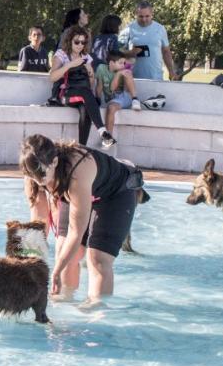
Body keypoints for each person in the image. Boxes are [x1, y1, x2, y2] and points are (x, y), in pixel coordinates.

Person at [21, 134, 138, 308]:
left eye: (43, 176)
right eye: (33, 177)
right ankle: (65, 299)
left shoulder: (77, 169)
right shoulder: (33, 171)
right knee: (63, 248)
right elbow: (39, 223)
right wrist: (29, 266)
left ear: (54, 162)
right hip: (79, 193)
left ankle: (98, 309)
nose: (39, 181)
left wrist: (55, 271)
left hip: (115, 193)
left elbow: (76, 232)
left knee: (97, 259)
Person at [49, 25, 114, 147]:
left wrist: (90, 73)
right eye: (77, 42)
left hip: (82, 95)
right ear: (69, 41)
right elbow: (52, 77)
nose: (80, 45)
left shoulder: (86, 57)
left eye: (83, 42)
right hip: (65, 95)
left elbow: (90, 85)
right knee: (86, 94)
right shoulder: (61, 54)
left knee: (86, 109)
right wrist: (70, 65)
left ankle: (82, 148)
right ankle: (102, 131)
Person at [118, 1, 177, 80]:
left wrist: (171, 72)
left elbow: (166, 51)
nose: (144, 19)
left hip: (156, 78)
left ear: (152, 14)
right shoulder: (128, 29)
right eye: (141, 16)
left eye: (147, 16)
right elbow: (117, 52)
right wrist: (130, 53)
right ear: (136, 14)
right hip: (133, 79)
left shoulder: (160, 29)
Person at [96, 52, 141, 138]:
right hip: (112, 99)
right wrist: (97, 100)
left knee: (128, 73)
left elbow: (115, 88)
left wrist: (119, 73)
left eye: (124, 63)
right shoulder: (101, 68)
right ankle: (108, 138)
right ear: (111, 63)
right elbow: (100, 86)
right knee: (111, 108)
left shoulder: (123, 69)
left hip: (125, 96)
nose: (123, 65)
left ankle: (135, 99)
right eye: (120, 63)